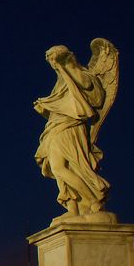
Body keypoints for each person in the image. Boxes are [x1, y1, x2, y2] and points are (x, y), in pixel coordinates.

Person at [33, 41, 117, 218]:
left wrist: (67, 65)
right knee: (59, 168)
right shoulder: (60, 80)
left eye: (54, 60)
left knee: (66, 166)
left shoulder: (79, 73)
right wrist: (46, 108)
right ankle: (73, 208)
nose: (53, 65)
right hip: (56, 126)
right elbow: (63, 102)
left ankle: (93, 198)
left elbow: (86, 85)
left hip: (70, 126)